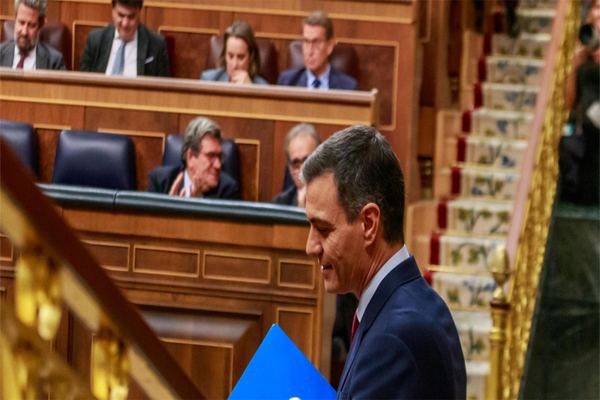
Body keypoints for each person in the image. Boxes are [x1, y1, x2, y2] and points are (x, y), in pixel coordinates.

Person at [302, 125, 466, 399]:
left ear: (368, 223)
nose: (311, 247)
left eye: (324, 229)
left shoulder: (393, 340)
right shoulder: (415, 304)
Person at [561, 0, 600, 205]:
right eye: (595, 8)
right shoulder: (586, 48)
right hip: (585, 130)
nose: (597, 13)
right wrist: (574, 66)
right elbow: (569, 101)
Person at [147, 117, 239, 199]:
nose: (218, 165)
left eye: (219, 156)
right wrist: (170, 210)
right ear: (190, 157)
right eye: (210, 156)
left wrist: (196, 206)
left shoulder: (227, 190)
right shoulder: (160, 181)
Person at [79, 0, 169, 77]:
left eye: (131, 17)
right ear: (113, 11)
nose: (125, 24)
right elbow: (83, 85)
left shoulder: (156, 44)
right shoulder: (95, 40)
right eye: (121, 15)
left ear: (139, 12)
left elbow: (163, 90)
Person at [277, 11, 357, 90]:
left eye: (316, 42)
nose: (310, 51)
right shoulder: (287, 82)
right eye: (306, 42)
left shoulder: (347, 87)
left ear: (329, 46)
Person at [0, 0, 65, 70]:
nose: (24, 32)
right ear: (15, 19)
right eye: (21, 23)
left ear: (41, 24)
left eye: (31, 25)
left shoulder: (54, 62)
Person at [201, 21, 268, 85]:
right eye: (230, 56)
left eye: (241, 57)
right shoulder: (208, 80)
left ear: (251, 56)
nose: (234, 65)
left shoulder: (263, 87)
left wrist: (250, 90)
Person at [273, 123, 321, 207]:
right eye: (296, 164)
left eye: (308, 160)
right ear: (290, 169)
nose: (302, 169)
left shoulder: (338, 201)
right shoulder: (280, 204)